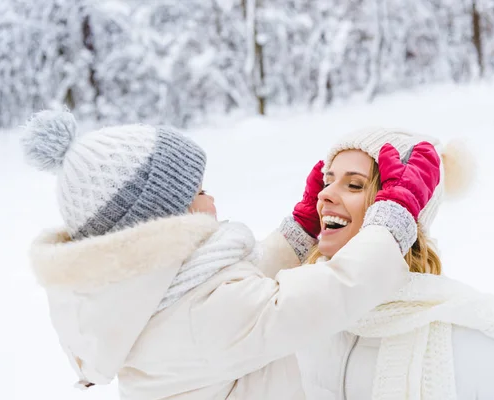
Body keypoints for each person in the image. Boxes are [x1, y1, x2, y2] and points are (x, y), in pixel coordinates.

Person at [21, 110, 440, 399]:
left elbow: (226, 285)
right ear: (166, 219)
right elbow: (331, 293)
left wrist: (298, 234)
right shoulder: (204, 317)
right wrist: (393, 217)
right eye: (199, 192)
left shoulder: (145, 297)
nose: (212, 197)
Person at [296, 127, 494, 400]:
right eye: (327, 182)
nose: (323, 196)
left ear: (402, 210)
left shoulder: (475, 347)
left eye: (354, 184)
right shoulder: (303, 318)